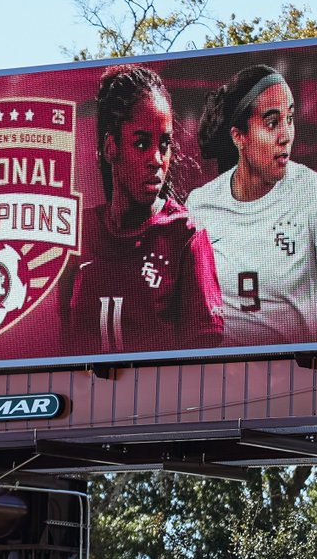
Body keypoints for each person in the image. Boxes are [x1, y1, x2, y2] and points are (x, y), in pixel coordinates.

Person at [185, 64, 317, 346]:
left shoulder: (314, 193)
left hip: (295, 383)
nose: (286, 135)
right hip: (221, 382)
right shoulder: (200, 205)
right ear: (239, 137)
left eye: (290, 118)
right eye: (272, 122)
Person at [62, 65, 222, 356]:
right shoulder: (78, 235)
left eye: (164, 144)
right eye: (141, 143)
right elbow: (62, 345)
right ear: (112, 147)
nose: (156, 159)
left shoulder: (186, 236)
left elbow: (204, 359)